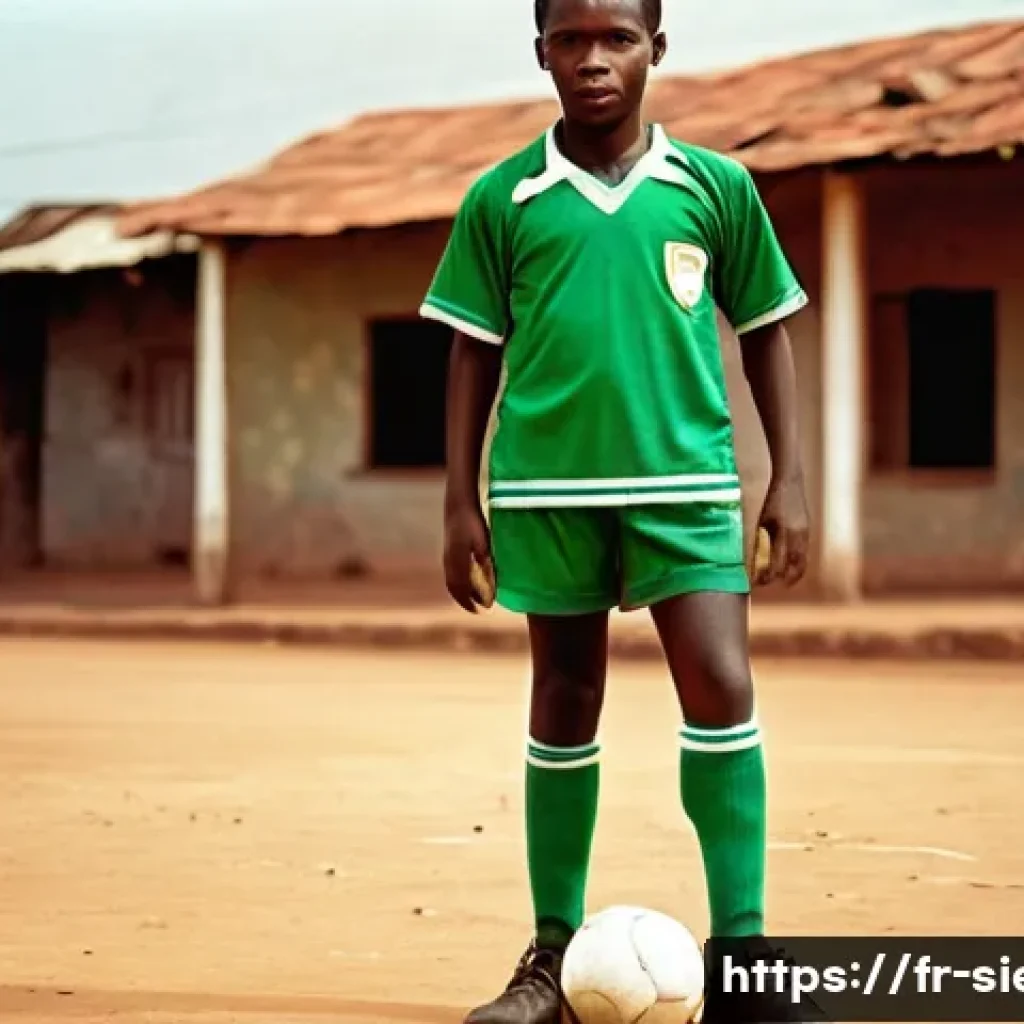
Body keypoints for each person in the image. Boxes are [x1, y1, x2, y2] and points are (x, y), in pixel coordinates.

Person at [419, 0, 813, 1020]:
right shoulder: (504, 197)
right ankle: (549, 958)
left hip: (686, 484)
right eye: (571, 40)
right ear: (541, 51)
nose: (593, 61)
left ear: (656, 49)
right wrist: (459, 498)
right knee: (563, 697)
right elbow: (473, 349)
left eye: (617, 39)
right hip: (545, 488)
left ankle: (746, 958)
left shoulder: (712, 186)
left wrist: (791, 475)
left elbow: (766, 326)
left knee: (722, 687)